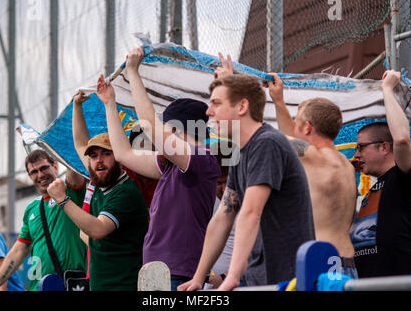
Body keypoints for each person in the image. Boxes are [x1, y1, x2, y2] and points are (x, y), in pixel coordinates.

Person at [96, 47, 220, 290]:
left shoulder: (201, 158)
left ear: (176, 129)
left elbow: (150, 125)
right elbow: (123, 154)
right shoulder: (170, 167)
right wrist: (110, 104)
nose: (157, 137)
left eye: (166, 128)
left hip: (179, 274)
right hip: (156, 271)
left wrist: (133, 71)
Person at [179, 72, 315, 291]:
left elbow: (251, 211)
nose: (208, 111)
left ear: (242, 107)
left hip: (288, 279)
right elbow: (223, 216)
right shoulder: (242, 152)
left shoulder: (267, 143)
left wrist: (232, 275)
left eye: (216, 103)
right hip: (261, 276)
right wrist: (198, 277)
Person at [47, 90, 149, 291]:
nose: (98, 160)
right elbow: (80, 144)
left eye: (106, 154)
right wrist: (77, 106)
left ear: (118, 156)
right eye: (93, 156)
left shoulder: (125, 191)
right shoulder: (101, 177)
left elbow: (98, 230)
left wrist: (63, 200)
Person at [267, 73, 358, 278]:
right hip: (346, 263)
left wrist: (230, 90)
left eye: (298, 123)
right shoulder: (344, 163)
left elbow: (278, 139)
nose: (294, 130)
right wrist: (278, 101)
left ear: (307, 127)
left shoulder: (315, 157)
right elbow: (288, 138)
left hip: (323, 264)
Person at [0, 149, 87, 291]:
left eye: (44, 168)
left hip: (73, 285)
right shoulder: (32, 209)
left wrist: (55, 140)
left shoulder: (71, 190)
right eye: (34, 172)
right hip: (38, 287)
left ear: (55, 166)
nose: (40, 175)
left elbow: (74, 161)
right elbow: (18, 251)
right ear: (29, 176)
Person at [350, 70, 411, 278]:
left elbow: (402, 139)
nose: (356, 155)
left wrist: (387, 89)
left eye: (361, 147)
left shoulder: (401, 175)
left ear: (384, 147)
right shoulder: (374, 187)